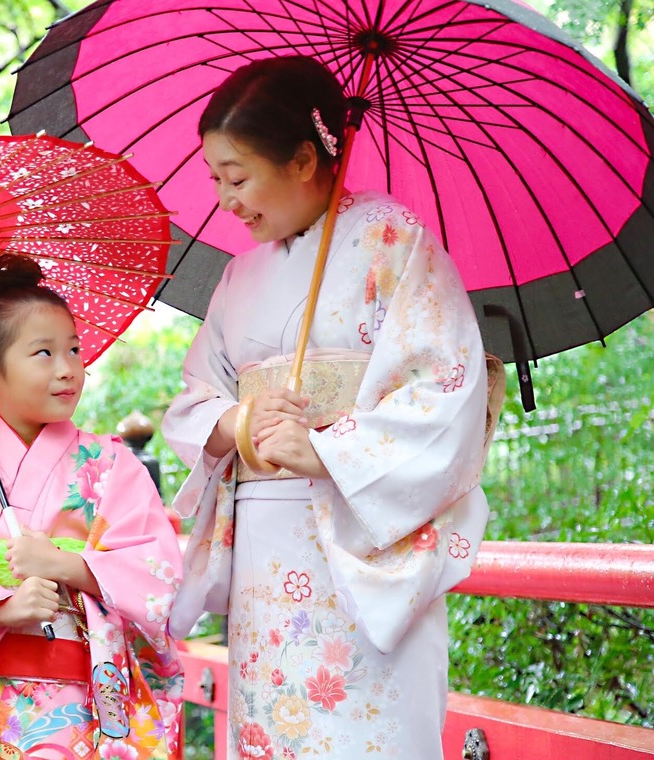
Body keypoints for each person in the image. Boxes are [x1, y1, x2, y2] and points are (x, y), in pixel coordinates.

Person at [162, 56, 499, 759]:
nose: (227, 200)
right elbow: (197, 397)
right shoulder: (239, 274)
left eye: (239, 177)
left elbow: (445, 388)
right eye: (216, 180)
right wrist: (240, 425)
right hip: (265, 550)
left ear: (305, 159)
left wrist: (326, 448)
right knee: (272, 730)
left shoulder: (391, 239)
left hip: (364, 543)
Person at [0, 254, 185, 760]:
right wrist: (2, 608)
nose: (67, 369)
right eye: (44, 353)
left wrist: (65, 566)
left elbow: (157, 575)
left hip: (88, 709)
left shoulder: (114, 468)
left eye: (73, 349)